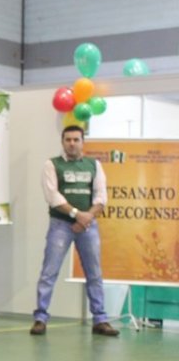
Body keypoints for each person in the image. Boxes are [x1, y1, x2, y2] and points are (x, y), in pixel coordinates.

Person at [31, 125, 118, 337]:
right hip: (60, 225)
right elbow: (53, 197)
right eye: (68, 139)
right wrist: (77, 215)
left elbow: (101, 197)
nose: (72, 143)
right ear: (62, 142)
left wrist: (86, 218)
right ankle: (40, 319)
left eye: (76, 140)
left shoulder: (94, 165)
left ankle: (100, 320)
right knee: (49, 273)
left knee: (94, 273)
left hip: (88, 226)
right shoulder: (51, 165)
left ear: (82, 142)